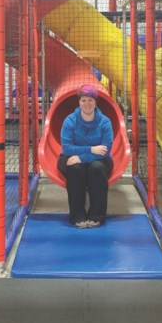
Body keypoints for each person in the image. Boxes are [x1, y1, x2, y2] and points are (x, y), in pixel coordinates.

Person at [57, 84, 114, 228]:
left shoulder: (104, 122)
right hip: (71, 156)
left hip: (99, 159)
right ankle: (77, 215)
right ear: (79, 102)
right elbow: (67, 148)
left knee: (96, 169)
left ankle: (97, 215)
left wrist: (83, 157)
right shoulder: (70, 120)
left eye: (90, 100)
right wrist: (92, 149)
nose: (87, 104)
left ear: (96, 102)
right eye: (83, 100)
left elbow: (105, 150)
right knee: (76, 170)